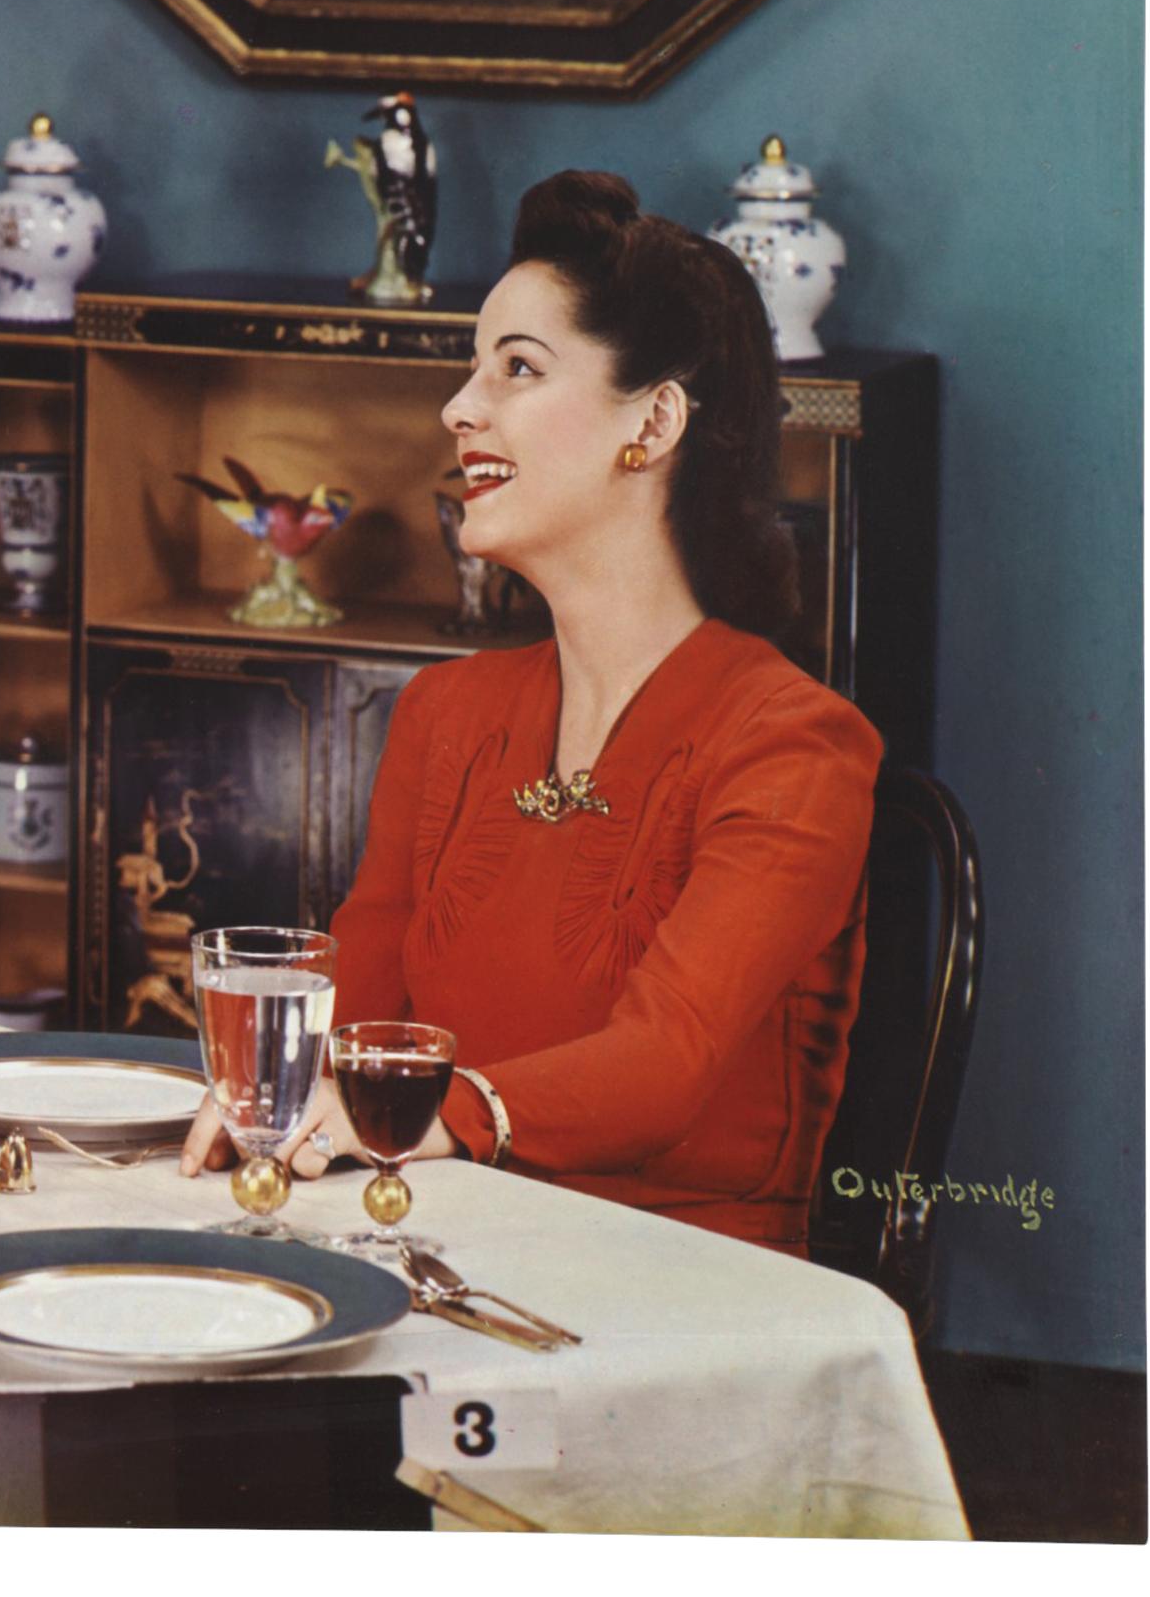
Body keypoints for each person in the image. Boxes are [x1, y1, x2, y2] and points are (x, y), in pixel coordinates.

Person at [183, 170, 879, 1255]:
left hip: (678, 1297)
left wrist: (441, 1115)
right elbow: (352, 1012)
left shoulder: (792, 746)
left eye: (516, 368)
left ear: (649, 421)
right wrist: (281, 1097)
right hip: (428, 1246)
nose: (459, 408)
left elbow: (665, 1060)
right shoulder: (445, 712)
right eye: (471, 369)